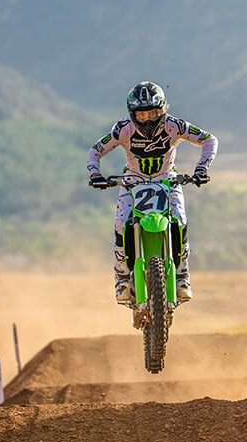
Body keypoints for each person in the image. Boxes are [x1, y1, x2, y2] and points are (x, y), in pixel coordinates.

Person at [87, 81, 217, 303]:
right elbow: (95, 150)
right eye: (142, 114)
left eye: (154, 112)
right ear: (132, 113)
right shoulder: (123, 129)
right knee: (121, 224)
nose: (148, 119)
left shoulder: (175, 125)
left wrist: (202, 168)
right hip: (132, 181)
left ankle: (182, 275)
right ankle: (122, 279)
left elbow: (208, 140)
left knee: (180, 220)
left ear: (164, 109)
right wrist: (95, 174)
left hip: (167, 178)